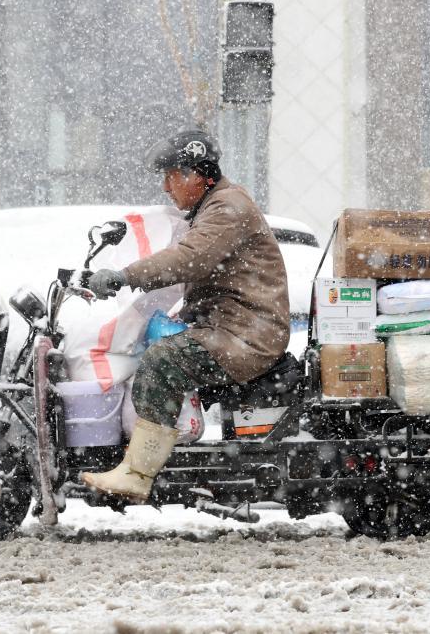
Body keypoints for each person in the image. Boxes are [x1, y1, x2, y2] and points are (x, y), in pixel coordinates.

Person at [80, 128, 291, 502]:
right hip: (232, 327)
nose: (165, 187)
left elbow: (188, 259)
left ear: (197, 174)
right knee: (160, 344)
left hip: (247, 335)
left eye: (171, 176)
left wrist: (126, 276)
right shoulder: (214, 207)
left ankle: (138, 472)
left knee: (162, 361)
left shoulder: (227, 208)